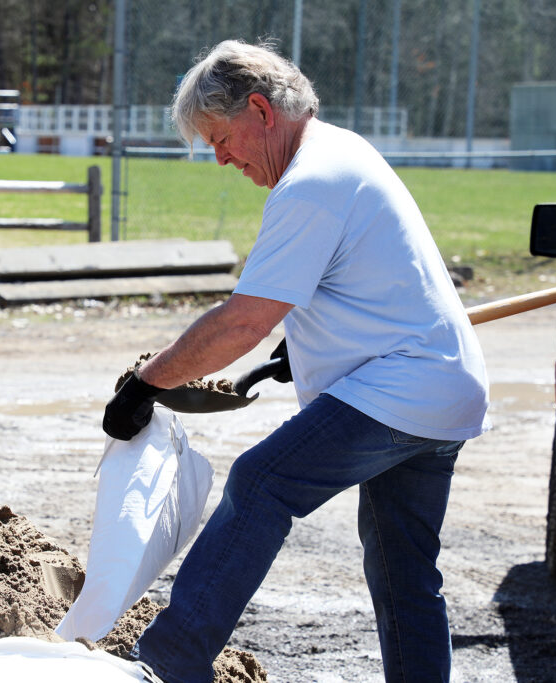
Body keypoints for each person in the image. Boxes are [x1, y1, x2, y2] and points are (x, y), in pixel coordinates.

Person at [102, 39, 489, 683]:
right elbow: (358, 282)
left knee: (261, 482)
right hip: (442, 388)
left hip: (399, 387)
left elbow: (242, 322)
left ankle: (169, 662)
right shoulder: (341, 152)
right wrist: (310, 343)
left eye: (220, 139)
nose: (220, 157)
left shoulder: (309, 184)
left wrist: (145, 384)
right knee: (403, 570)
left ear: (259, 109)